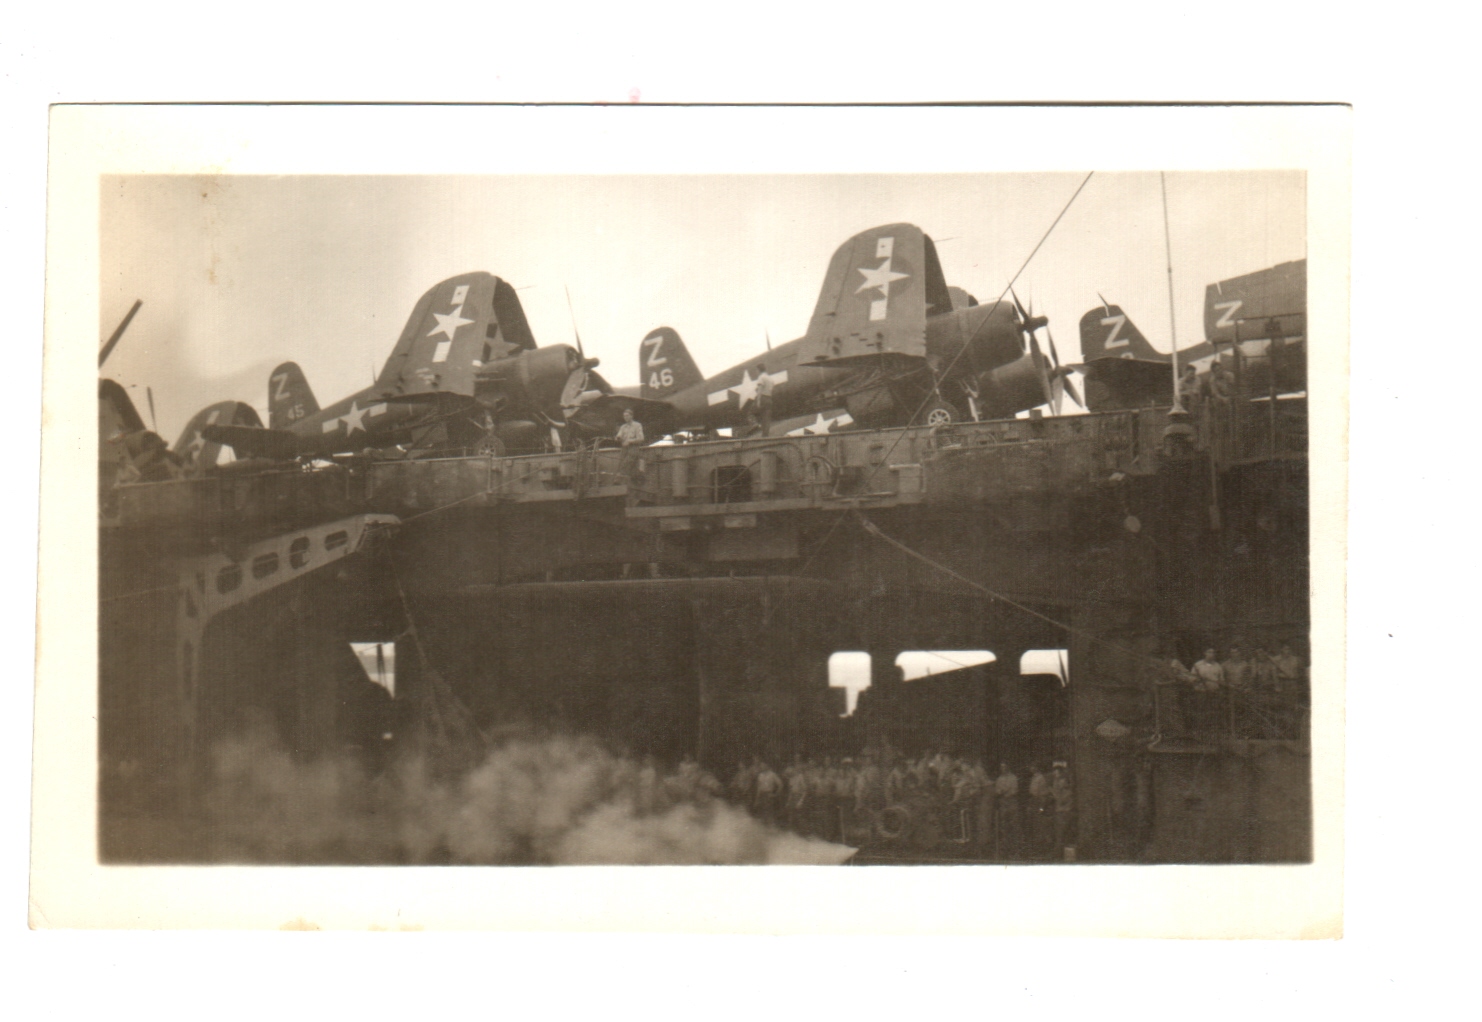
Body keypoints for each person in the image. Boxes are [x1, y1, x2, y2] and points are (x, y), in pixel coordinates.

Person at [994, 763, 1021, 859]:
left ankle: (1015, 851)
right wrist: (1001, 792)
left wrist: (1006, 792)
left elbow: (1014, 790)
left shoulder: (1013, 778)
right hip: (1003, 803)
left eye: (1004, 767)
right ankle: (1004, 850)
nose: (1003, 769)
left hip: (1012, 803)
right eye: (1001, 767)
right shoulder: (999, 779)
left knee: (1014, 826)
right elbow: (997, 790)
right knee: (1003, 827)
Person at [1028, 764, 1053, 858]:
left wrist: (1041, 809)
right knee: (1036, 827)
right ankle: (1038, 849)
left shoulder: (1041, 778)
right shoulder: (1033, 778)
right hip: (1035, 801)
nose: (1031, 769)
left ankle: (1045, 849)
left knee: (1042, 827)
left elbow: (1043, 795)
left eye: (1033, 767)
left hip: (1040, 803)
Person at [1051, 762, 1075, 857]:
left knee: (1062, 832)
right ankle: (1059, 852)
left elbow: (1062, 799)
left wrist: (1053, 792)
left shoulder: (1066, 789)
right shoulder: (1057, 783)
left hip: (1064, 811)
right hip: (1059, 810)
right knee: (1059, 832)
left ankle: (1059, 853)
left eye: (1057, 773)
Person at [616, 408, 645, 483]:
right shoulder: (623, 427)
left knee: (626, 463)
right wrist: (618, 438)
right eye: (624, 416)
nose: (625, 417)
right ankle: (621, 481)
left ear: (631, 416)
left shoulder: (637, 425)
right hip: (624, 449)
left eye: (627, 415)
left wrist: (630, 441)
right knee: (620, 463)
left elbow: (641, 438)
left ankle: (622, 480)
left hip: (634, 448)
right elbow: (619, 436)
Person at [754, 364, 775, 436]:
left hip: (763, 398)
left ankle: (755, 425)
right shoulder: (770, 379)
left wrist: (758, 400)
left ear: (759, 370)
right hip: (769, 398)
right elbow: (772, 389)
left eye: (756, 370)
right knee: (766, 418)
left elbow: (760, 389)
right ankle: (765, 435)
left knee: (751, 413)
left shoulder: (761, 377)